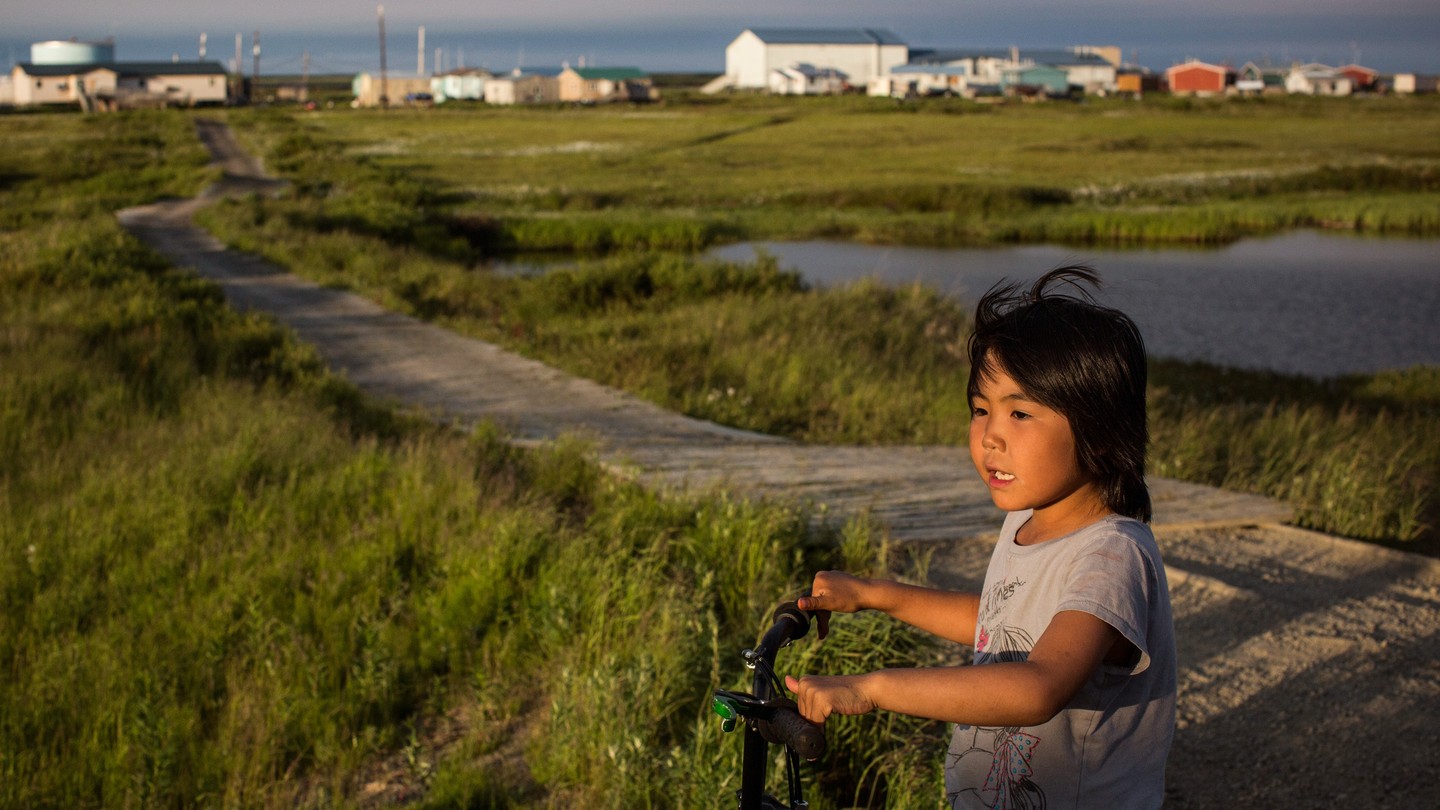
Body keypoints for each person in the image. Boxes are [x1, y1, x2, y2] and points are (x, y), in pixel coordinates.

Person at [785, 266, 1176, 809]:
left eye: (1020, 412)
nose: (990, 435)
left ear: (1102, 431)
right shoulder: (1024, 522)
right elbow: (1000, 624)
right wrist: (876, 594)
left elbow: (1039, 685)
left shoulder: (1113, 554)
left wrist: (871, 687)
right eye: (980, 410)